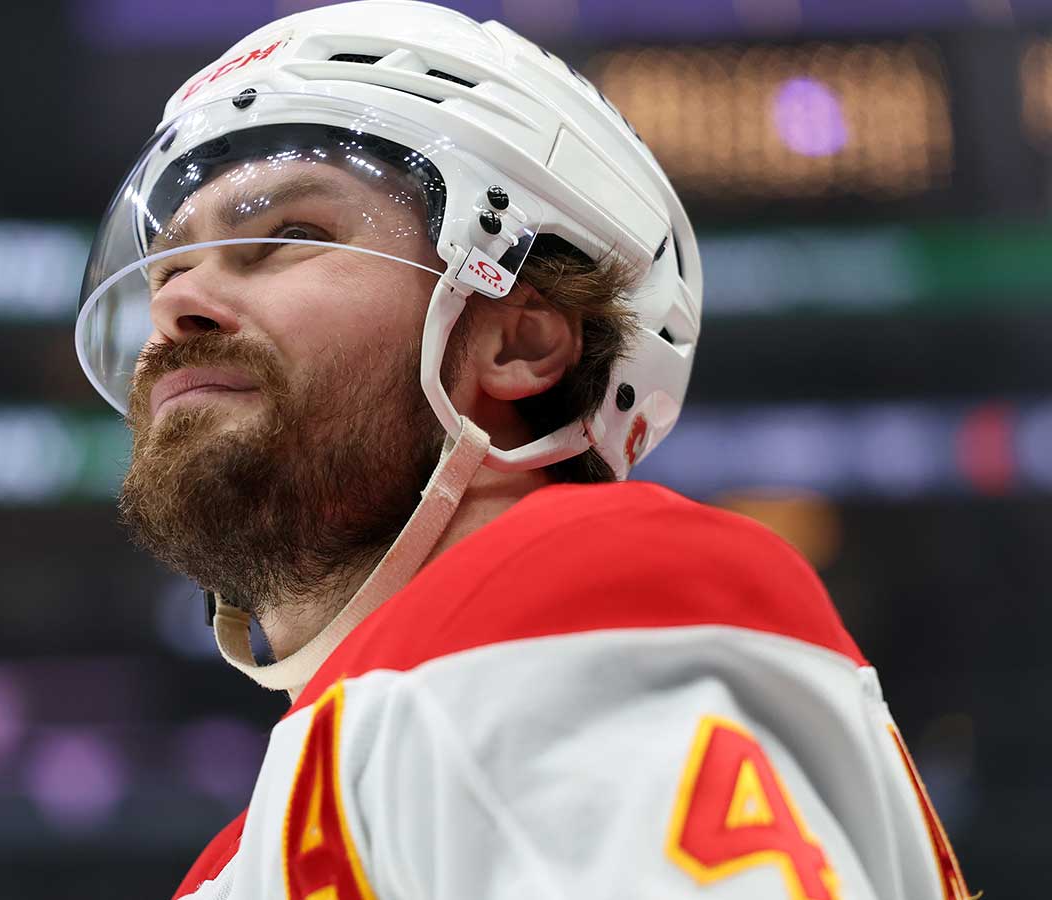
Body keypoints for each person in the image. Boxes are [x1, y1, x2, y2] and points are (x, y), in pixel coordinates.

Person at [73, 2, 970, 897]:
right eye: (167, 268)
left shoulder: (581, 590)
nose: (173, 306)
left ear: (519, 343)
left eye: (290, 236)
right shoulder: (283, 815)